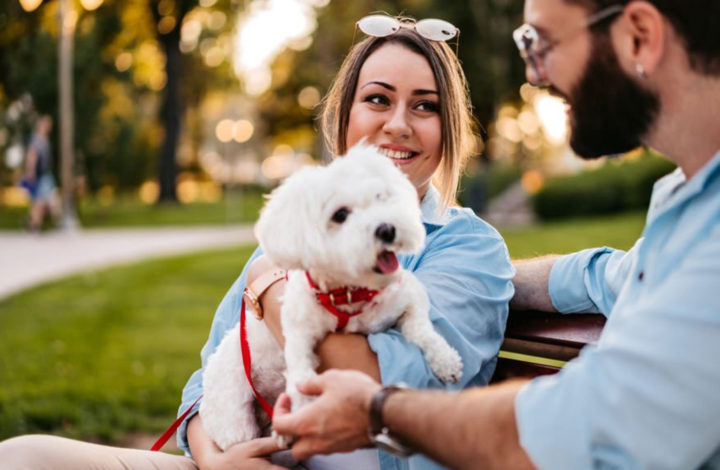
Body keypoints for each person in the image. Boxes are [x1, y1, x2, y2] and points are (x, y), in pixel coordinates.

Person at [0, 14, 515, 470]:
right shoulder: (304, 230)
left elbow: (394, 388)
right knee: (20, 458)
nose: (398, 124)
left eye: (424, 107)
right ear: (344, 117)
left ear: (447, 130)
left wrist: (268, 285)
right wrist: (218, 461)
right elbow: (206, 384)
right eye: (377, 99)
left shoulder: (469, 247)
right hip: (234, 461)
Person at [269, 1, 720, 469]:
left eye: (540, 42)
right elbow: (603, 276)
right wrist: (491, 279)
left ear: (639, 35)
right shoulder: (687, 205)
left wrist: (378, 409)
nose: (535, 77)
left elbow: (581, 431)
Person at [21, 114, 60, 232]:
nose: (48, 126)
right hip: (41, 175)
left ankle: (33, 224)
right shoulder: (37, 139)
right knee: (41, 202)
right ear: (40, 124)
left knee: (40, 202)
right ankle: (34, 224)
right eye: (46, 124)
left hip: (46, 174)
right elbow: (31, 156)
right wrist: (30, 172)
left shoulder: (45, 140)